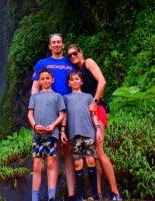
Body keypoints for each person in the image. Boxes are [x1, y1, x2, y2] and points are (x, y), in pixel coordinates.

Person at [67, 44, 123, 200]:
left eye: (75, 53)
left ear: (81, 52)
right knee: (94, 155)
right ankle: (97, 194)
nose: (72, 56)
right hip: (87, 114)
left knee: (99, 150)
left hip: (97, 108)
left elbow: (102, 81)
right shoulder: (77, 75)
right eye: (70, 55)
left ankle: (115, 193)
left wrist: (95, 101)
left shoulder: (88, 63)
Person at [31, 33, 77, 200]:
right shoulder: (42, 64)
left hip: (69, 107)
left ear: (62, 45)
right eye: (53, 42)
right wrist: (33, 111)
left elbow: (78, 81)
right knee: (54, 152)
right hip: (49, 111)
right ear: (50, 46)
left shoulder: (70, 63)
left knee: (69, 150)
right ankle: (53, 194)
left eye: (59, 42)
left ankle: (71, 193)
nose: (56, 45)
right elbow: (35, 87)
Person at [61, 71, 102, 201]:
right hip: (74, 134)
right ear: (68, 83)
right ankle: (81, 196)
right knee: (78, 163)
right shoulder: (66, 98)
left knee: (90, 160)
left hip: (88, 132)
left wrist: (98, 130)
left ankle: (95, 194)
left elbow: (93, 114)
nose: (74, 81)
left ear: (81, 81)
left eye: (77, 79)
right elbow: (64, 115)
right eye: (72, 79)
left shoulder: (88, 97)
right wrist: (62, 130)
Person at [28, 68, 66, 201]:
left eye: (48, 78)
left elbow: (62, 115)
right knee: (37, 165)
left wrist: (54, 125)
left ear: (52, 80)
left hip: (51, 134)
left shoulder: (57, 96)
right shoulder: (35, 96)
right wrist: (34, 125)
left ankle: (51, 196)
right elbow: (30, 114)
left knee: (51, 163)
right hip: (37, 135)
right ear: (39, 80)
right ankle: (34, 197)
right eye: (42, 79)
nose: (45, 80)